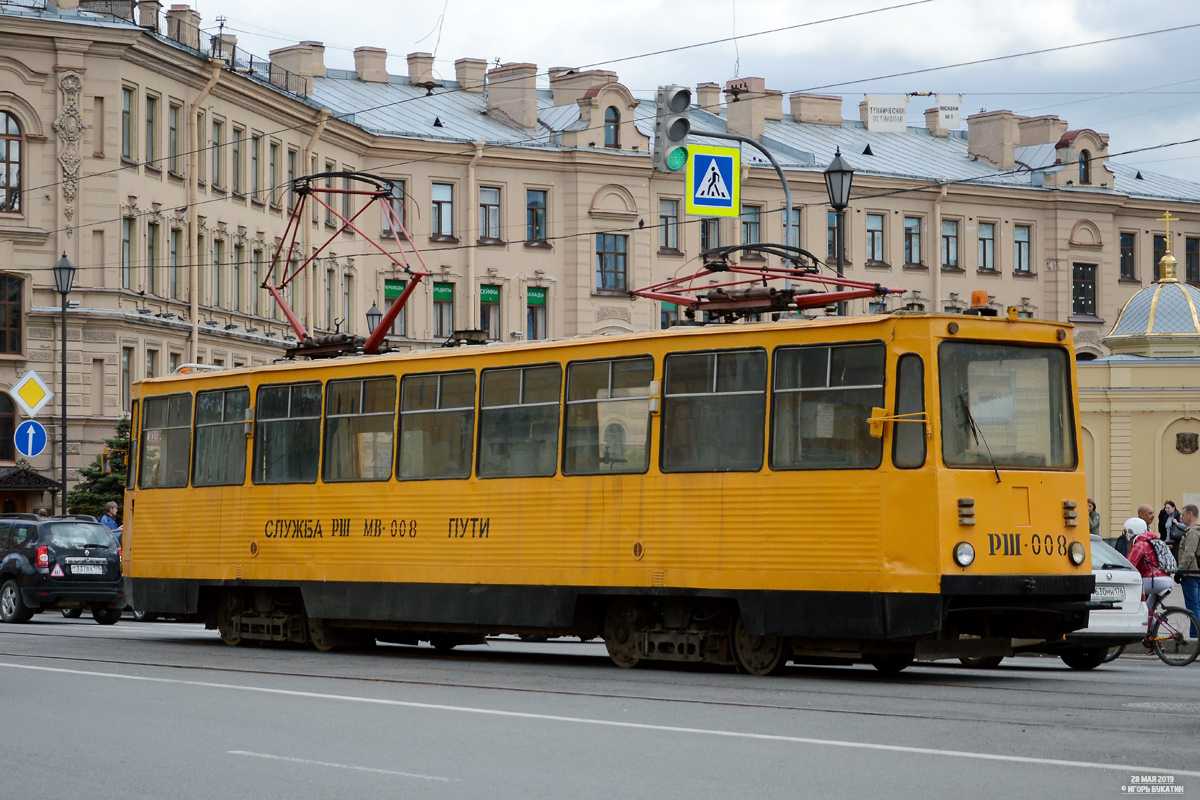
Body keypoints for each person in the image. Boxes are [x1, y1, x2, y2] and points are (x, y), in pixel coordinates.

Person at [1125, 517, 1173, 633]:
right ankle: (1155, 642)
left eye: (1126, 531)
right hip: (1167, 580)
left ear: (1132, 531)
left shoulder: (1140, 544)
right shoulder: (1156, 541)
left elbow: (1130, 565)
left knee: (1128, 593)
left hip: (1154, 581)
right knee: (1148, 610)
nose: (1126, 534)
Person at [1177, 504, 1200, 635]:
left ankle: (1195, 636)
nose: (1181, 517)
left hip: (1191, 573)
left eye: (1183, 514)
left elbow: (1189, 553)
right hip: (1198, 572)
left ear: (1191, 514)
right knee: (1197, 605)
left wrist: (1180, 571)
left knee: (1192, 607)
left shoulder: (1192, 531)